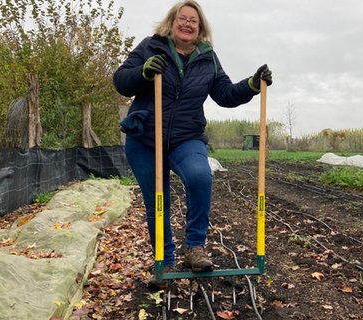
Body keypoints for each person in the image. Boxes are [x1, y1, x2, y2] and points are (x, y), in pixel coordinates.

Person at [113, 0, 272, 289]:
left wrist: (250, 84)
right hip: (145, 138)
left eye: (193, 21)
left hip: (186, 137)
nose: (187, 24)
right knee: (157, 201)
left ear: (200, 28)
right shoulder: (151, 46)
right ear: (171, 22)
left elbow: (224, 93)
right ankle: (165, 260)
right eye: (182, 19)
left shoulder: (207, 57)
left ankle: (194, 247)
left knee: (200, 176)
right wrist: (144, 73)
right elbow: (121, 81)